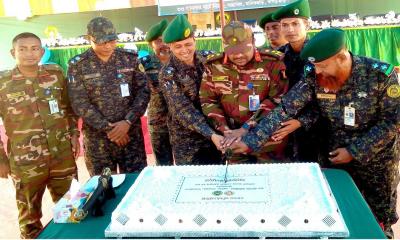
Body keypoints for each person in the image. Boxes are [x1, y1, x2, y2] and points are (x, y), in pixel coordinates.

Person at [229, 28, 400, 237]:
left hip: (376, 162)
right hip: (335, 158)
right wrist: (251, 141)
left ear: (341, 57)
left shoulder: (380, 75)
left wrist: (354, 150)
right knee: (338, 215)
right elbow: (286, 108)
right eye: (315, 66)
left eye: (323, 66)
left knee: (377, 220)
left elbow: (392, 122)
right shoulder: (314, 75)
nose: (318, 72)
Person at [0, 32, 79, 238]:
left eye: (35, 48)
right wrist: (1, 159)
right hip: (26, 162)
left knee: (72, 208)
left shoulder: (55, 73)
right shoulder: (3, 82)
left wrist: (74, 134)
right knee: (29, 216)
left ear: (42, 52)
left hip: (62, 156)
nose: (29, 53)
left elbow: (68, 107)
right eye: (23, 49)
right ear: (12, 52)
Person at [68, 17, 149, 176]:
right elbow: (79, 103)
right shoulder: (78, 65)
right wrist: (110, 129)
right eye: (102, 42)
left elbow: (143, 92)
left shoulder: (129, 58)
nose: (108, 46)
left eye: (112, 41)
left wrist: (127, 122)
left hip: (131, 136)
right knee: (103, 187)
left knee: (134, 183)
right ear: (89, 38)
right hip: (99, 141)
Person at [200, 21, 288, 163]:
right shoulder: (214, 66)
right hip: (232, 143)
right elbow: (208, 101)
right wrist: (225, 130)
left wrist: (246, 128)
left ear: (253, 41)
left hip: (268, 142)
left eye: (243, 50)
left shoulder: (272, 63)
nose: (239, 55)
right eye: (233, 52)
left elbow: (277, 100)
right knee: (240, 183)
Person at [159, 14, 223, 165]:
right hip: (188, 143)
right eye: (178, 46)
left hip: (217, 134)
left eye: (188, 44)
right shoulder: (168, 73)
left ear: (195, 41)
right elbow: (182, 109)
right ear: (170, 47)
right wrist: (211, 134)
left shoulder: (209, 59)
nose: (184, 50)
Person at [272, 0, 329, 163]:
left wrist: (301, 121)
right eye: (285, 25)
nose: (290, 29)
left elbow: (332, 98)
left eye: (296, 24)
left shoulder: (322, 54)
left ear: (307, 25)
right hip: (283, 130)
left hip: (317, 130)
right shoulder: (277, 57)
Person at [142, 19, 174, 165]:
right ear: (151, 45)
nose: (164, 45)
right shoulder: (144, 64)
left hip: (183, 123)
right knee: (163, 166)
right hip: (158, 123)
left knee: (185, 164)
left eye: (166, 40)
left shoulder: (181, 59)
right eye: (158, 41)